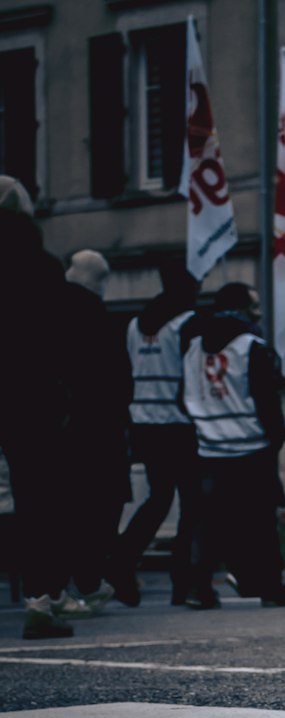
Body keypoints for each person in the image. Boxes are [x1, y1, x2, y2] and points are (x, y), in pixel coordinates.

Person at [180, 282, 285, 609]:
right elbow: (267, 400)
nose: (259, 312)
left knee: (209, 523)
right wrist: (276, 437)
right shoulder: (251, 346)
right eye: (255, 306)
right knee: (260, 522)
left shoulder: (192, 347)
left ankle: (199, 587)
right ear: (242, 309)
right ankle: (271, 587)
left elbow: (183, 395)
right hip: (251, 446)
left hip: (209, 447)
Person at [0, 176, 79, 638]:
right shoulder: (43, 267)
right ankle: (41, 599)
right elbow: (59, 342)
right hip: (30, 393)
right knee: (39, 500)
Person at [108, 262, 200, 606]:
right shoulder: (187, 323)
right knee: (192, 504)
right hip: (179, 423)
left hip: (144, 421)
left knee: (159, 498)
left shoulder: (135, 324)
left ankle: (120, 560)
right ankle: (185, 580)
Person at [61, 249, 134, 614]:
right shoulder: (101, 320)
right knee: (99, 507)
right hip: (98, 429)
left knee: (63, 507)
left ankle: (62, 583)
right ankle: (90, 578)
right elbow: (121, 382)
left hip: (60, 427)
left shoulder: (50, 311)